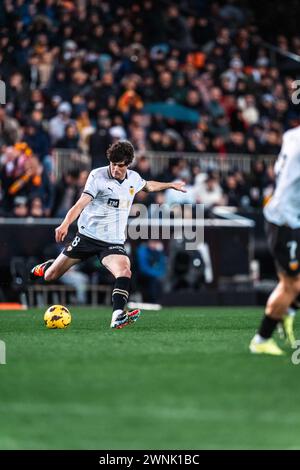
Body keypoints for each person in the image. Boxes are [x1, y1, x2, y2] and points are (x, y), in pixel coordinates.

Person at [30, 140, 186, 329]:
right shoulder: (97, 176)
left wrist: (171, 185)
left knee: (124, 270)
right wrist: (65, 223)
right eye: (113, 164)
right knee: (50, 276)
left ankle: (117, 316)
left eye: (120, 165)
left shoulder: (133, 178)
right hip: (87, 237)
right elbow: (80, 203)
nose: (115, 169)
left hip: (112, 242)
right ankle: (48, 266)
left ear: (127, 164)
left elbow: (148, 186)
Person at [249, 127, 300, 355]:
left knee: (293, 283)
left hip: (288, 216)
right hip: (285, 222)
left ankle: (286, 314)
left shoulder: (292, 135)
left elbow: (278, 169)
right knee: (292, 284)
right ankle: (261, 339)